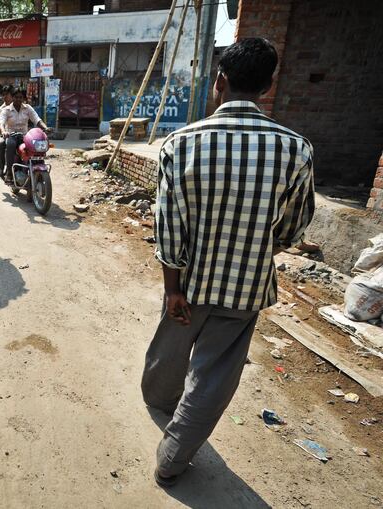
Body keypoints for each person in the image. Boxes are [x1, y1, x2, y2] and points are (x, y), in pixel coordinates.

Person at [141, 38, 315, 487]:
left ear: (220, 80)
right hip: (245, 287)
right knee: (213, 376)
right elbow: (295, 227)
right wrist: (257, 246)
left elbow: (169, 226)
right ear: (268, 84)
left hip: (189, 281)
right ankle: (174, 457)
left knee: (171, 346)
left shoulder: (181, 144)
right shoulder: (295, 149)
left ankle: (158, 400)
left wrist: (172, 288)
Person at [0, 88, 48, 184]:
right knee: (10, 145)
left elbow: (37, 120)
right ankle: (9, 173)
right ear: (12, 98)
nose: (18, 99)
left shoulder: (27, 108)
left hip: (25, 136)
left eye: (20, 97)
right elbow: (1, 123)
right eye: (16, 97)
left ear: (23, 98)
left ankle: (33, 167)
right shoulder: (6, 110)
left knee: (35, 148)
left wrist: (45, 128)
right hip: (11, 135)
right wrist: (4, 131)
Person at [0, 85, 14, 177]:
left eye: (7, 94)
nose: (4, 97)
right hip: (6, 134)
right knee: (1, 144)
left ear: (12, 95)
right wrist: (3, 131)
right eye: (3, 95)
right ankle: (0, 167)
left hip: (20, 133)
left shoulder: (20, 106)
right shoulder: (0, 110)